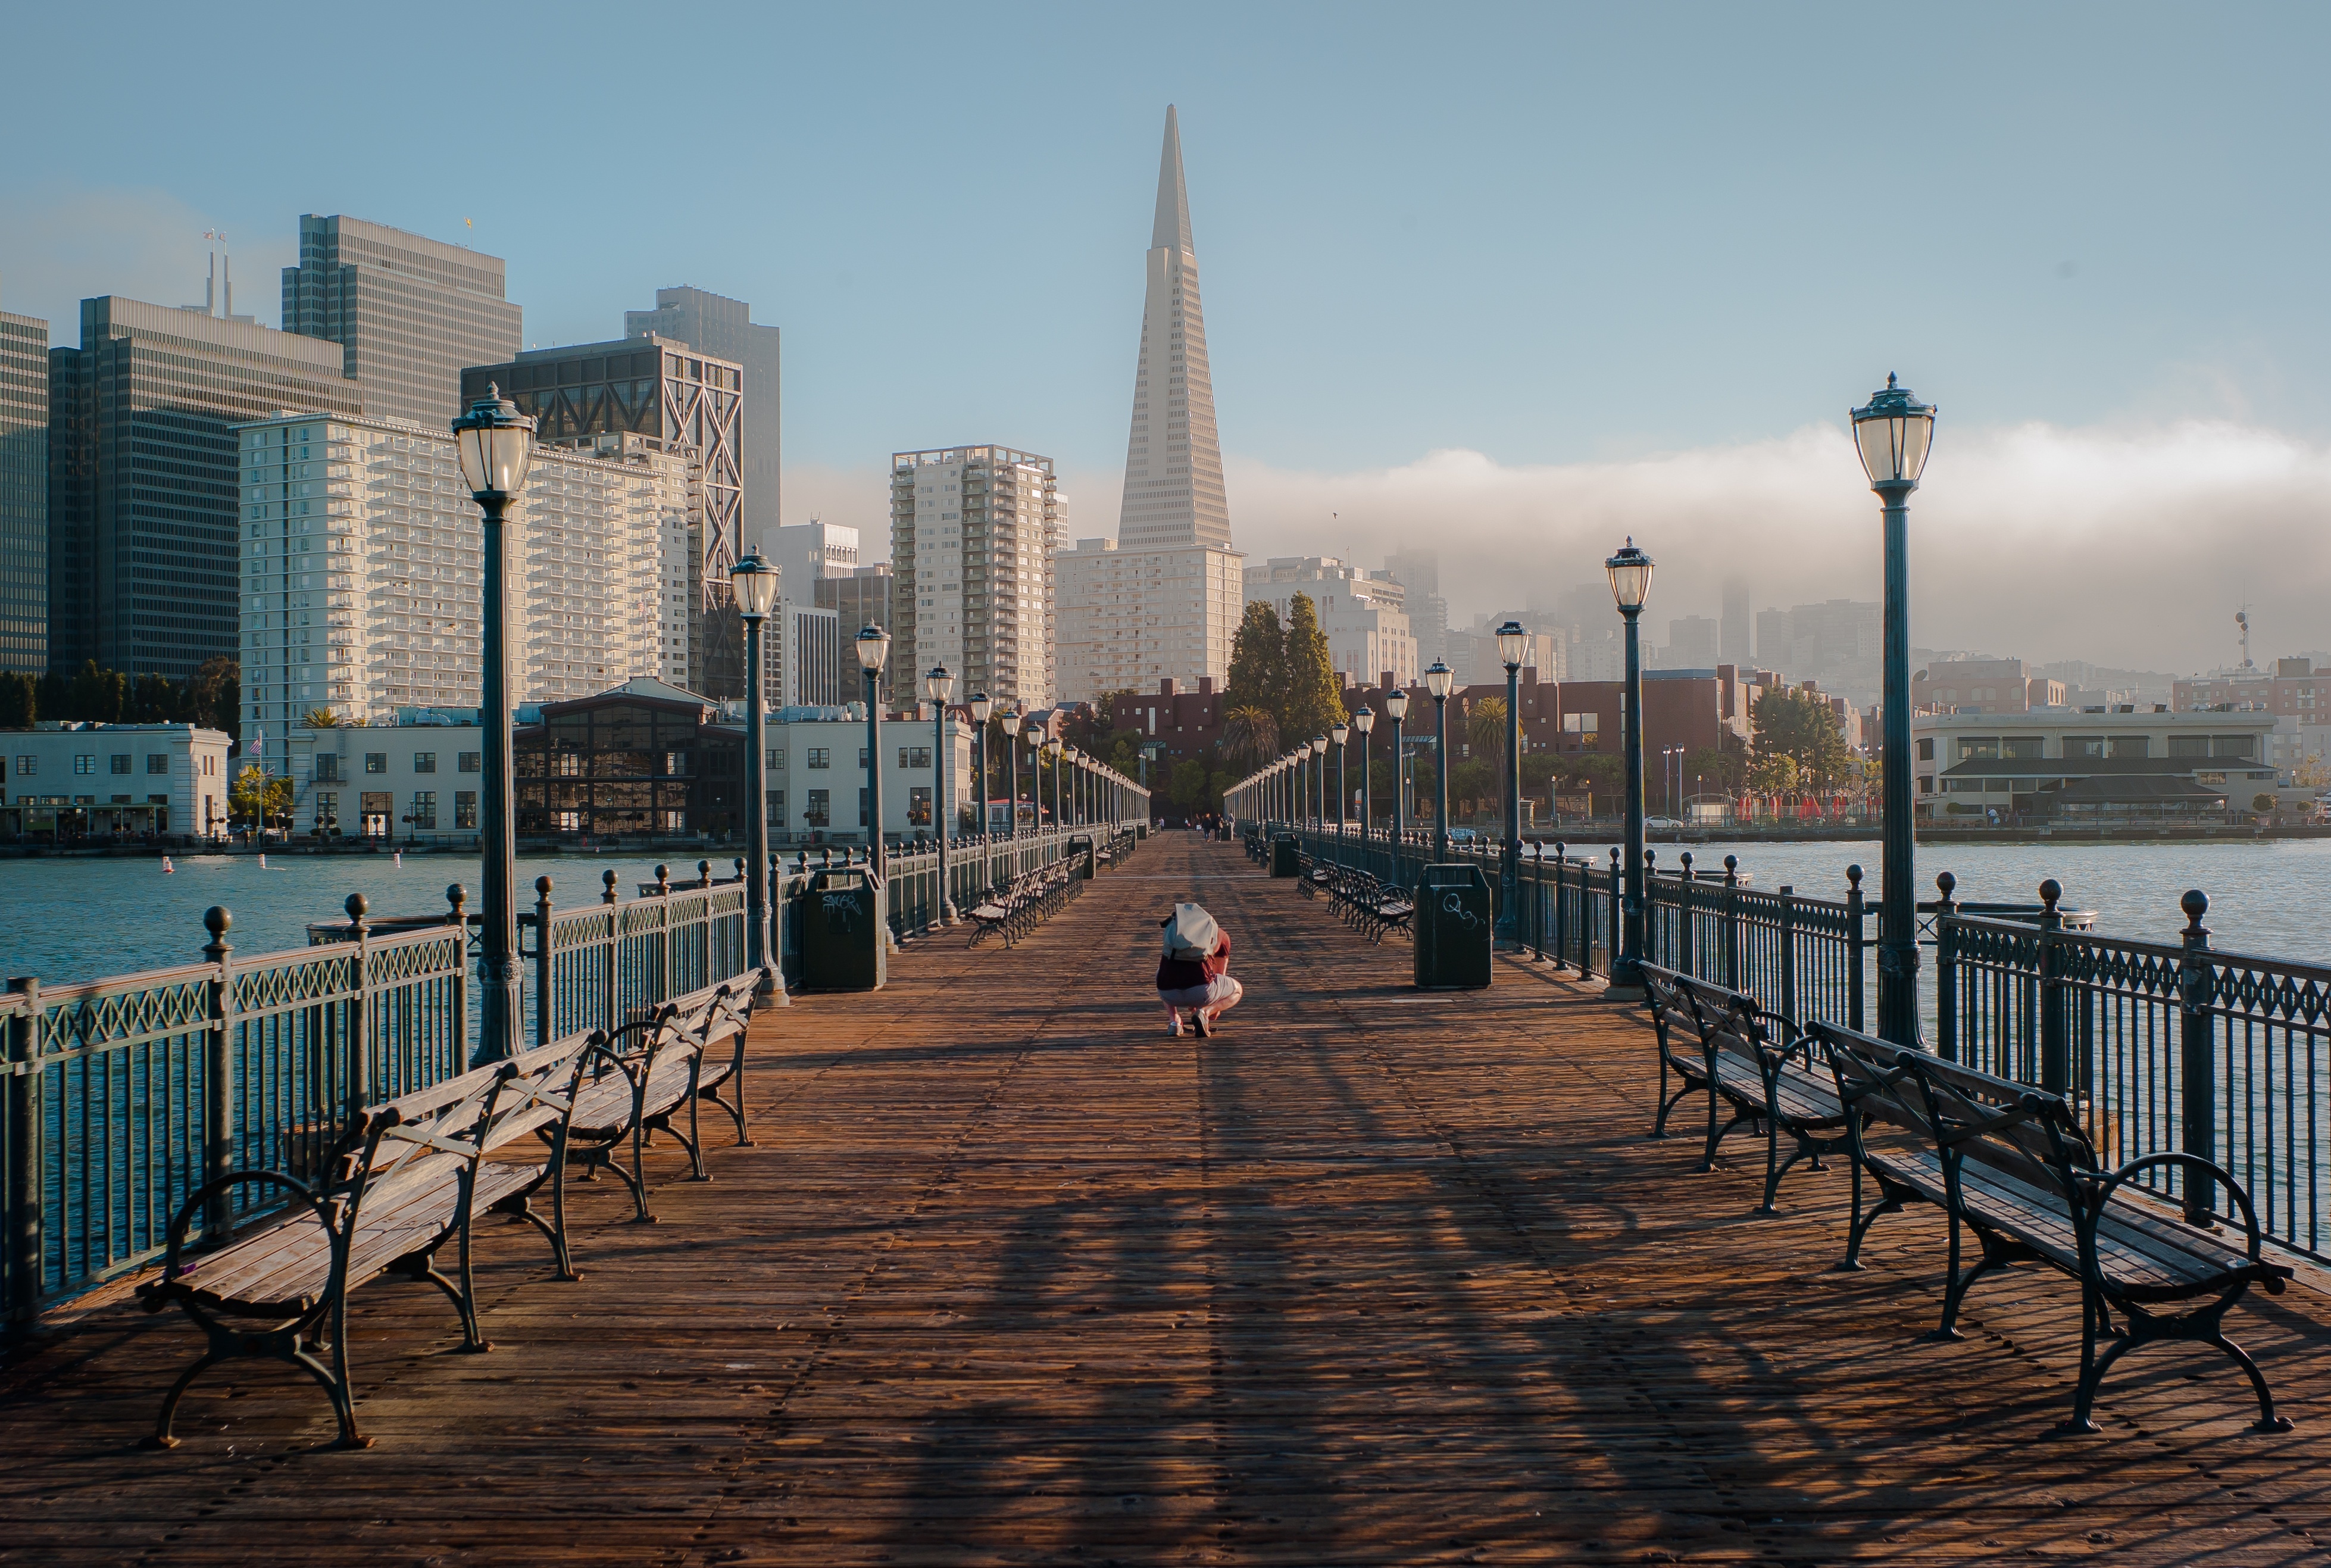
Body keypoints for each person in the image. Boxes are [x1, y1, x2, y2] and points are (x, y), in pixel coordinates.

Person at [1156, 901, 1241, 1038]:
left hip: (1168, 993)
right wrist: (1211, 1007)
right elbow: (1219, 975)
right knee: (1237, 990)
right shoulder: (1220, 935)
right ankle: (1205, 1014)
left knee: (1161, 971)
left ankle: (1174, 1021)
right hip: (1201, 991)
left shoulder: (1173, 934)